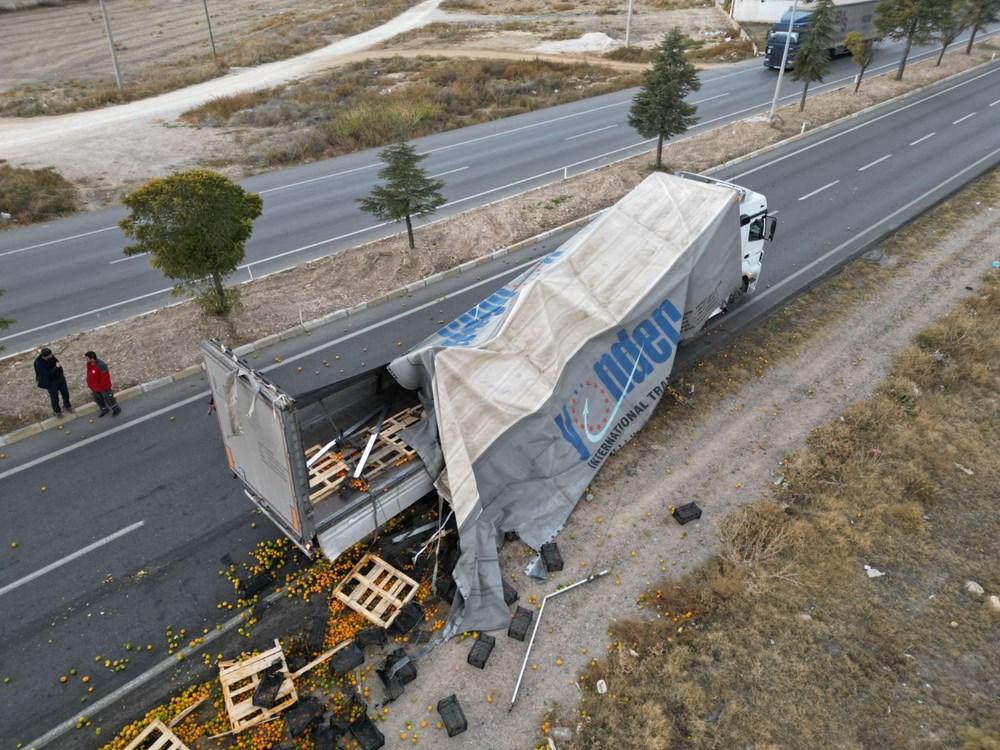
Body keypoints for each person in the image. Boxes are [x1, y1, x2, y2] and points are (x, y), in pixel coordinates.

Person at [34, 347, 74, 417]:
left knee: (65, 392)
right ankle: (57, 411)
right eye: (50, 355)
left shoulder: (51, 356)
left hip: (59, 378)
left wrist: (60, 372)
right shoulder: (37, 363)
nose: (52, 355)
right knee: (54, 397)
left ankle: (67, 405)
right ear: (45, 356)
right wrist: (57, 367)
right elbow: (47, 374)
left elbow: (57, 362)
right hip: (50, 382)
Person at [84, 351, 121, 417]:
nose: (86, 360)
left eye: (87, 358)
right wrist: (89, 384)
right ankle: (104, 409)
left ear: (92, 358)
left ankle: (116, 409)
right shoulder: (89, 365)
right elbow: (89, 375)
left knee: (109, 398)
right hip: (94, 387)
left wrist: (101, 386)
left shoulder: (101, 365)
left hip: (104, 387)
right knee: (98, 399)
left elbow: (105, 377)